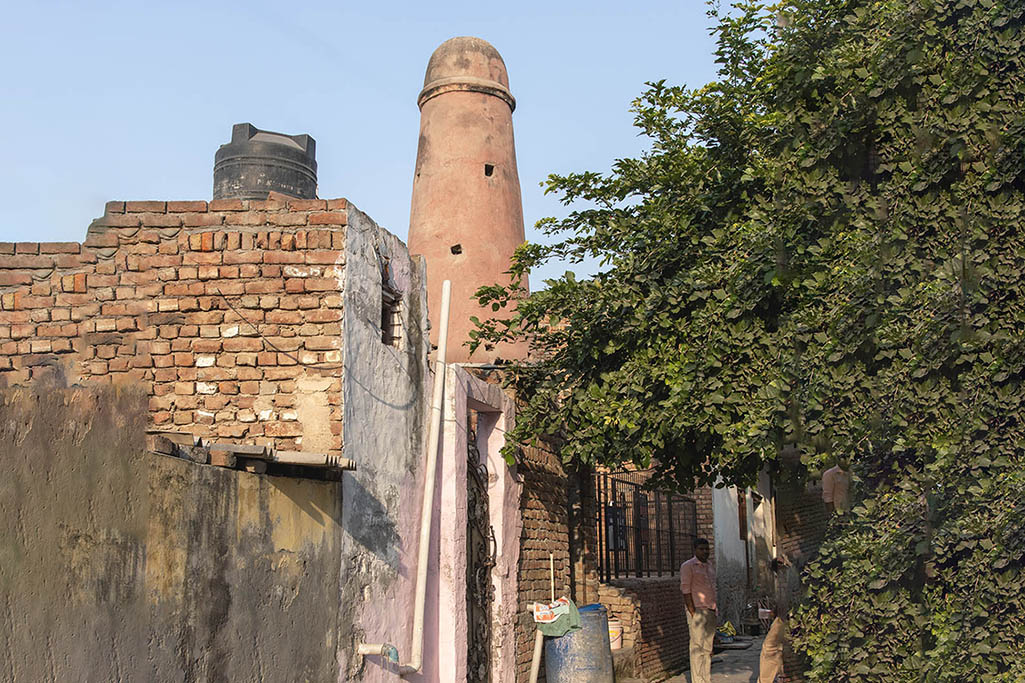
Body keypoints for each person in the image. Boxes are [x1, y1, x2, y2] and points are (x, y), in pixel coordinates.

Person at [758, 556, 802, 683]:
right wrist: (776, 609)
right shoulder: (781, 579)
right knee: (775, 649)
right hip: (781, 618)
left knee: (770, 648)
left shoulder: (792, 577)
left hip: (789, 618)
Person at [680, 538, 716, 683]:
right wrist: (692, 612)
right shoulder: (688, 566)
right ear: (695, 550)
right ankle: (698, 680)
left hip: (711, 610)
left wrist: (715, 610)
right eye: (701, 549)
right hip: (697, 612)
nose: (705, 552)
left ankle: (706, 679)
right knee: (697, 648)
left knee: (707, 650)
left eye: (707, 549)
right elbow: (686, 590)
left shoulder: (710, 566)